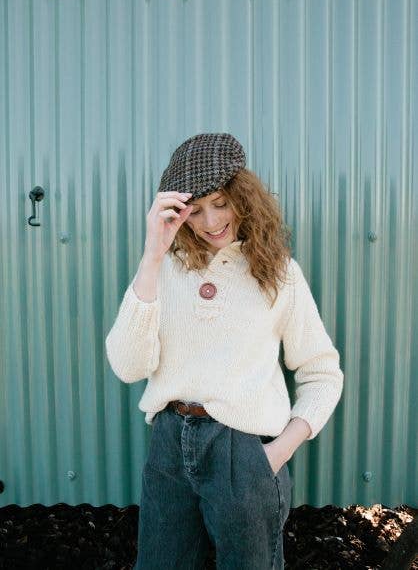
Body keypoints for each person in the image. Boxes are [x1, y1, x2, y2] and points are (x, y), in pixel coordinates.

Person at [105, 133, 344, 570]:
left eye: (220, 202)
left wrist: (277, 453)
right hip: (168, 447)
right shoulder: (166, 270)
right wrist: (152, 255)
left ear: (242, 197)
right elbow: (127, 365)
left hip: (243, 451)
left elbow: (322, 372)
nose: (211, 221)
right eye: (194, 210)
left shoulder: (280, 274)